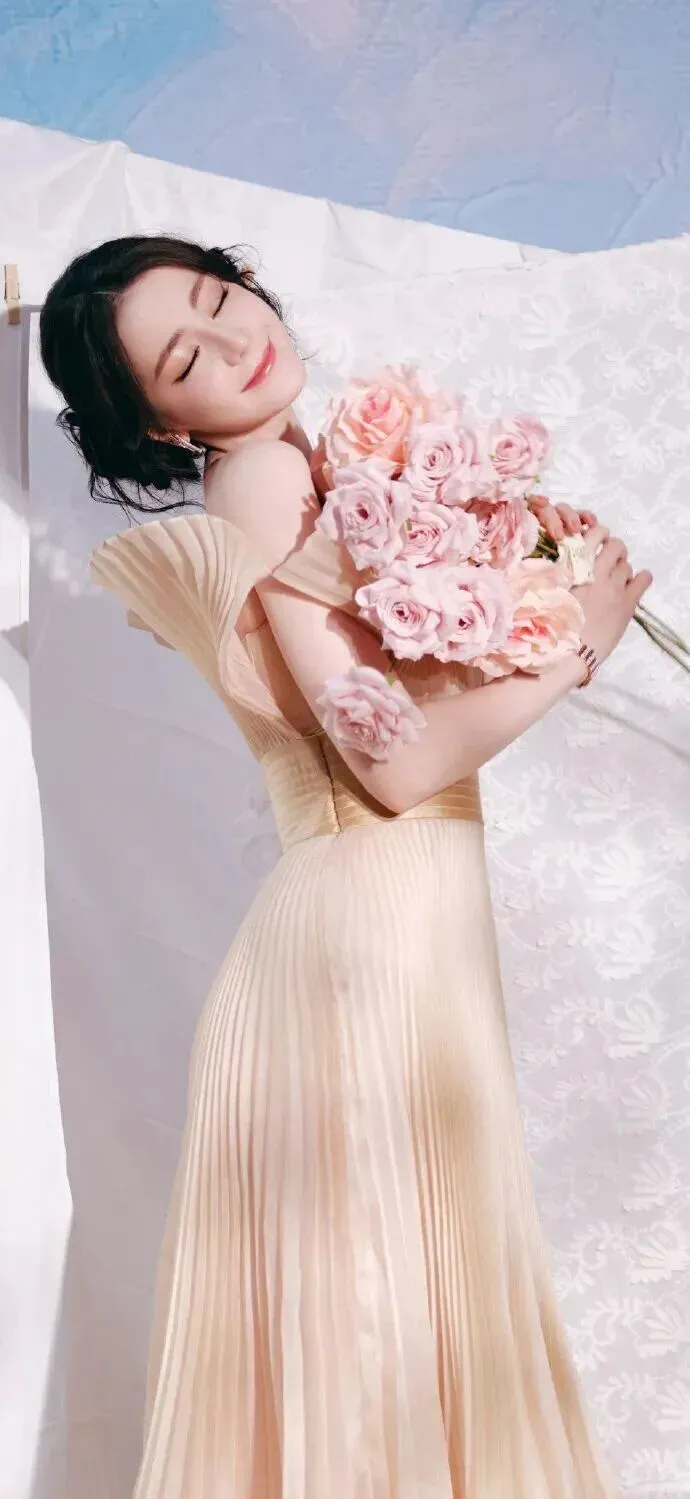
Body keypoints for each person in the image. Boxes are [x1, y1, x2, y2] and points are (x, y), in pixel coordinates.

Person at [40, 235, 651, 1499]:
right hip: (367, 937)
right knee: (389, 1333)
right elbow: (392, 761)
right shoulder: (264, 476)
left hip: (384, 925)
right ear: (158, 425)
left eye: (220, 298)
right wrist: (572, 643)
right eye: (185, 360)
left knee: (396, 1324)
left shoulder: (308, 467)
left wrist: (518, 579)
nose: (234, 341)